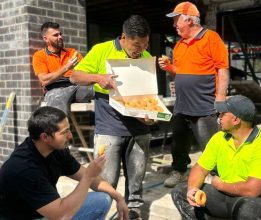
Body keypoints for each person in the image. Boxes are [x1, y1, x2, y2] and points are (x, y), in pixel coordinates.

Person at [70, 15, 153, 220]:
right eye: (136, 44)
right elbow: (75, 76)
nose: (140, 49)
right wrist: (99, 78)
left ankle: (132, 213)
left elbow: (149, 94)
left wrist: (152, 115)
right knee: (106, 181)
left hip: (140, 128)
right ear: (124, 37)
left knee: (136, 181)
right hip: (110, 128)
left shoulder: (145, 56)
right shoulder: (101, 50)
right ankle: (104, 213)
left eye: (145, 44)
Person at [0, 106, 128, 220]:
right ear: (45, 137)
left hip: (46, 212)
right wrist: (89, 175)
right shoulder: (24, 168)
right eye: (64, 132)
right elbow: (61, 216)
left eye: (69, 129)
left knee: (102, 199)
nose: (70, 136)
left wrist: (118, 197)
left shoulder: (55, 151)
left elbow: (92, 179)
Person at [171, 95, 261, 220]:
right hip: (226, 196)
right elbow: (200, 169)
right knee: (180, 191)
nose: (219, 118)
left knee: (248, 211)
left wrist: (220, 185)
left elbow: (253, 190)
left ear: (235, 120)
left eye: (223, 114)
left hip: (257, 199)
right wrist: (193, 189)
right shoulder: (219, 138)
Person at [158, 1, 230, 187]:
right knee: (179, 144)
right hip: (182, 105)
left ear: (189, 20)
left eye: (176, 21)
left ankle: (219, 177)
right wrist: (169, 68)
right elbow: (180, 72)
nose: (174, 25)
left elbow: (222, 69)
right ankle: (180, 171)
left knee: (211, 144)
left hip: (204, 105)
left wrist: (220, 98)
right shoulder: (179, 45)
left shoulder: (211, 38)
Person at [32, 22, 94, 115]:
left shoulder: (72, 52)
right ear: (46, 39)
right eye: (55, 35)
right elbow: (44, 81)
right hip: (55, 90)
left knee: (100, 89)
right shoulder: (39, 56)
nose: (60, 37)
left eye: (60, 34)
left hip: (77, 87)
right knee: (57, 107)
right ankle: (61, 129)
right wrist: (66, 68)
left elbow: (86, 73)